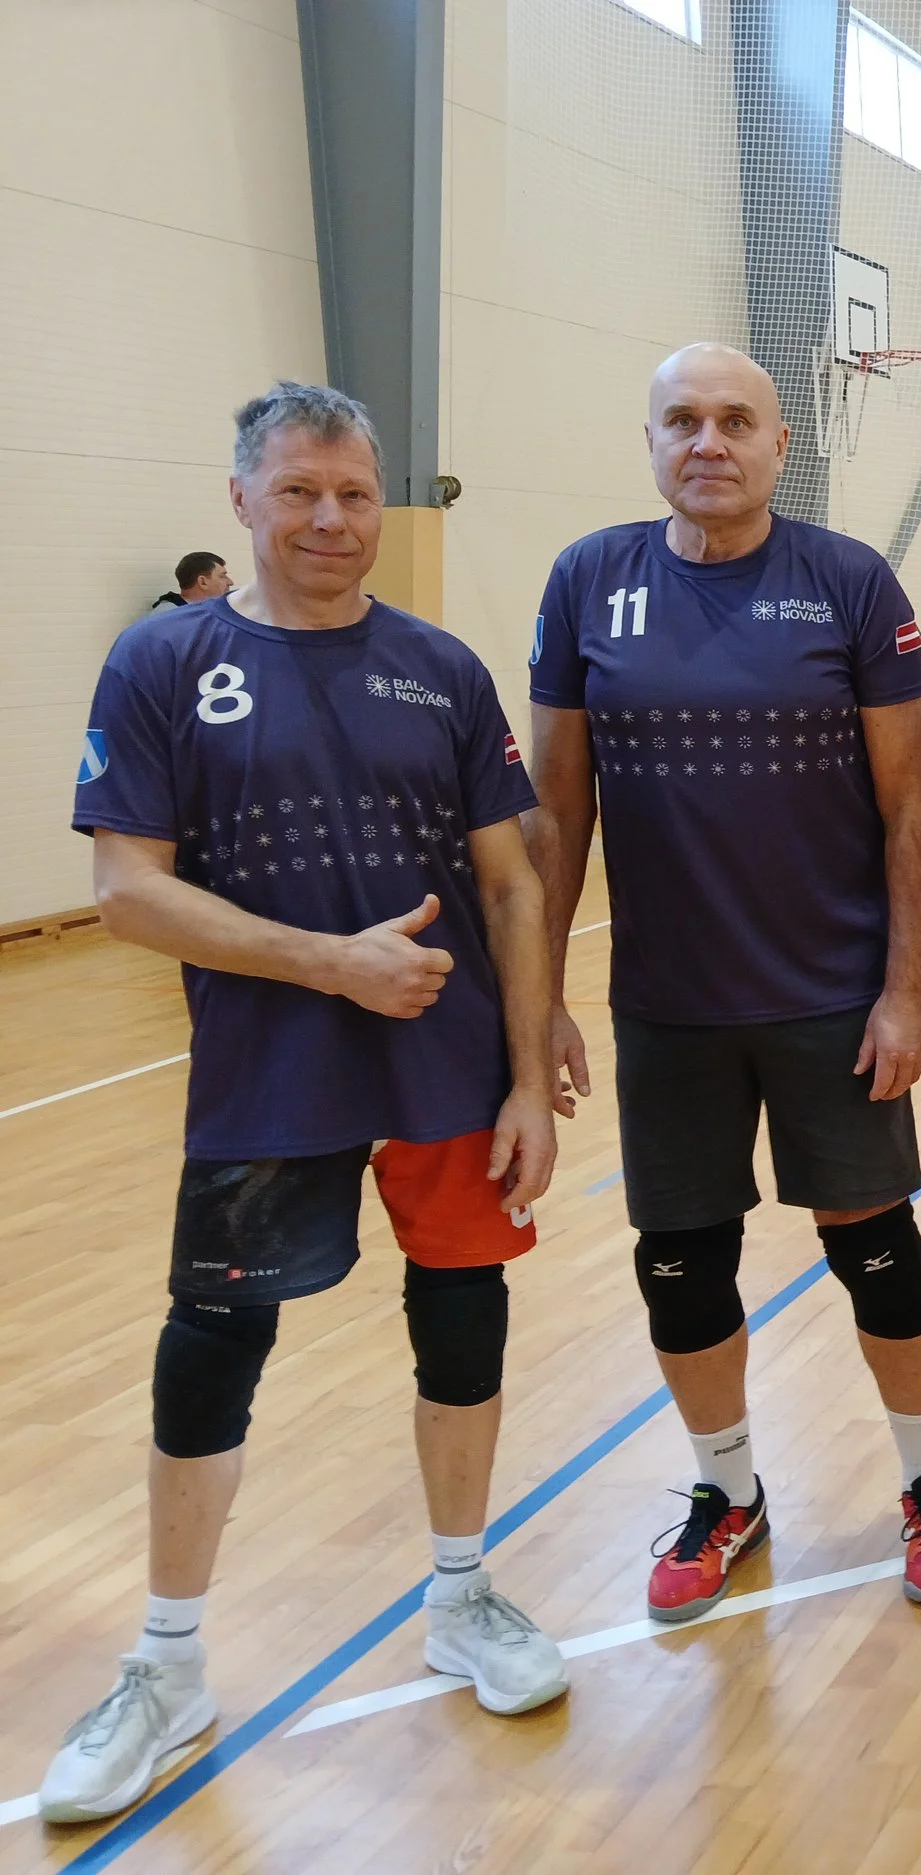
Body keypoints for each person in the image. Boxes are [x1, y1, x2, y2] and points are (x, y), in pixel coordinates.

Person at [48, 383, 566, 1824]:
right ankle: (166, 1664)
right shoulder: (164, 660)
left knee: (461, 1315)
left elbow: (514, 884)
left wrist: (528, 1071)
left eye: (352, 493)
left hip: (449, 1069)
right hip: (266, 1075)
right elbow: (125, 889)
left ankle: (461, 1595)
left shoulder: (441, 668)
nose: (331, 519)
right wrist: (331, 963)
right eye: (298, 492)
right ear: (241, 500)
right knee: (212, 1345)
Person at [526, 343, 921, 1621]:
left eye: (736, 421)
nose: (708, 442)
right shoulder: (587, 581)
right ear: (651, 441)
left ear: (782, 444)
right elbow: (558, 814)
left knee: (875, 1251)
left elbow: (912, 807)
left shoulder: (848, 581)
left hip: (832, 998)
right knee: (679, 1263)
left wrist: (907, 992)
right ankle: (727, 1492)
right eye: (683, 420)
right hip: (668, 1007)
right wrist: (538, 996)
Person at [150, 551, 232, 611]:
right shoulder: (167, 616)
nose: (230, 582)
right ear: (203, 582)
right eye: (222, 576)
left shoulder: (216, 611)